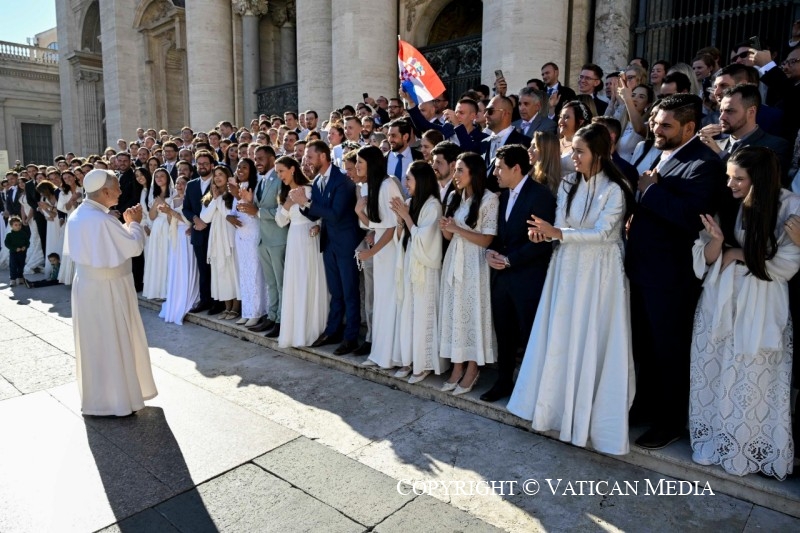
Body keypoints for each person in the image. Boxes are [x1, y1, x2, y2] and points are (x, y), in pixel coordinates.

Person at [507, 124, 635, 454]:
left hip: (599, 273)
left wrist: (558, 233)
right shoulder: (567, 183)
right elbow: (561, 224)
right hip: (566, 267)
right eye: (573, 150)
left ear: (599, 154)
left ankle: (588, 419)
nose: (573, 156)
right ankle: (553, 409)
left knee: (591, 335)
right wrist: (543, 234)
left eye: (580, 151)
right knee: (561, 334)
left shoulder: (616, 189)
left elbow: (604, 233)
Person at [690, 147, 800, 479]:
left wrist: (737, 253)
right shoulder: (727, 202)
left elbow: (786, 266)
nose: (731, 184)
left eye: (738, 178)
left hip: (761, 302)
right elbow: (707, 256)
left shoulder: (790, 207)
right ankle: (716, 440)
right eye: (729, 177)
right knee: (716, 368)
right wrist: (718, 242)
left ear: (760, 179)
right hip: (721, 298)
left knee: (752, 376)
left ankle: (748, 449)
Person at [626, 94, 723, 450]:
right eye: (655, 123)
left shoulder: (704, 164)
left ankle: (669, 423)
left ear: (689, 127)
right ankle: (645, 407)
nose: (656, 129)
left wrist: (651, 191)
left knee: (669, 351)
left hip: (672, 276)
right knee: (645, 346)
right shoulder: (659, 152)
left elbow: (691, 217)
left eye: (666, 125)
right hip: (642, 269)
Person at [64, 169, 157, 417]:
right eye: (117, 187)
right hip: (109, 288)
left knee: (96, 344)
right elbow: (133, 247)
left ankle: (100, 400)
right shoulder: (102, 220)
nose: (120, 191)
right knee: (113, 341)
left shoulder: (78, 214)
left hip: (87, 286)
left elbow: (105, 246)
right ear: (105, 192)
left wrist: (125, 224)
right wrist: (134, 223)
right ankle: (119, 401)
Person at [481, 144, 557, 403]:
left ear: (516, 168)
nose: (495, 173)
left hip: (528, 279)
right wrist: (490, 253)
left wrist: (510, 260)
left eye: (499, 168)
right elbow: (497, 235)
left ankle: (531, 390)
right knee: (504, 334)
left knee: (529, 335)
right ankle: (503, 382)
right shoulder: (501, 196)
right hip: (501, 279)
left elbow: (542, 242)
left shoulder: (541, 195)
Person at [292, 140, 362, 356]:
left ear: (323, 156)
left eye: (310, 157)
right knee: (336, 291)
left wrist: (307, 203)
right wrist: (302, 204)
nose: (307, 161)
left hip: (346, 243)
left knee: (349, 292)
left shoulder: (342, 181)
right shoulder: (317, 181)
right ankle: (333, 331)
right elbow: (315, 214)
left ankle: (351, 337)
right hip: (329, 242)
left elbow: (335, 214)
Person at [438, 152, 499, 395]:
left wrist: (457, 229)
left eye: (460, 170)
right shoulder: (455, 196)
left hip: (475, 262)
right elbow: (449, 236)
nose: (456, 175)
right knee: (454, 312)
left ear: (474, 172)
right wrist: (446, 228)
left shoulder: (489, 199)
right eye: (455, 170)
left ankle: (473, 367)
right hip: (454, 258)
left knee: (473, 312)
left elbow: (487, 239)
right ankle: (457, 365)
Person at [390, 161, 446, 383]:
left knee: (423, 316)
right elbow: (403, 238)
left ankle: (423, 364)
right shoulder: (410, 202)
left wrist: (406, 217)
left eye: (409, 179)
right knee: (408, 313)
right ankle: (408, 359)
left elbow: (426, 240)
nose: (405, 183)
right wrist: (400, 221)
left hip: (425, 269)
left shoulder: (433, 206)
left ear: (421, 181)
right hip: (410, 264)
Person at [354, 146, 404, 370]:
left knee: (390, 301)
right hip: (381, 250)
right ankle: (380, 354)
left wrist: (371, 252)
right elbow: (375, 224)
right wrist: (359, 211)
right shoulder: (372, 186)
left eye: (360, 162)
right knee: (382, 302)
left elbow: (392, 227)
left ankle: (391, 356)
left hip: (390, 251)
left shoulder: (387, 185)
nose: (356, 166)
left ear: (371, 164)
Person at [273, 156, 328, 347]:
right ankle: (295, 331)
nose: (279, 176)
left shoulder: (310, 189)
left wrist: (318, 226)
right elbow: (280, 222)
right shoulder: (284, 194)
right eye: (277, 172)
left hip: (310, 238)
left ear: (292, 169)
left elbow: (320, 213)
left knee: (309, 279)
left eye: (281, 171)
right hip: (294, 239)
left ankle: (312, 329)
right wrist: (287, 204)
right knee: (295, 282)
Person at [229, 158, 268, 328]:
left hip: (253, 232)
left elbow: (255, 209)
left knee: (254, 273)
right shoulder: (237, 187)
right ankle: (247, 311)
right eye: (238, 167)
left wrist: (238, 195)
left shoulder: (256, 185)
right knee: (244, 274)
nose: (240, 170)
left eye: (244, 167)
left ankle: (257, 312)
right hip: (240, 234)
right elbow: (234, 210)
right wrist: (230, 217)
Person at [199, 165, 241, 320]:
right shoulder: (210, 197)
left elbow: (229, 216)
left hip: (230, 237)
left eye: (220, 174)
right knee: (220, 272)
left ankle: (236, 307)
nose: (217, 177)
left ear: (227, 176)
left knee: (232, 271)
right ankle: (227, 306)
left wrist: (218, 200)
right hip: (216, 238)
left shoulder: (233, 195)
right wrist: (215, 199)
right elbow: (205, 218)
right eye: (215, 175)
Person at [158, 176, 200, 325]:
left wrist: (171, 211)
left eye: (183, 183)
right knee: (177, 268)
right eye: (178, 183)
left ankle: (190, 297)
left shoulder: (190, 200)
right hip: (175, 236)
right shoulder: (172, 200)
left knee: (187, 266)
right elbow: (170, 222)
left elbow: (188, 221)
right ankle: (177, 297)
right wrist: (168, 213)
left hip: (186, 236)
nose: (180, 185)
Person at [141, 168, 172, 300]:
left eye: (162, 176)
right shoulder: (153, 195)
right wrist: (155, 203)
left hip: (169, 226)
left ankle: (166, 290)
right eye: (157, 176)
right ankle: (157, 290)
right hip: (157, 226)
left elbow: (171, 214)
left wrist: (163, 203)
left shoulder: (174, 193)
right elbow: (152, 216)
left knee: (167, 256)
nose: (159, 178)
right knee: (157, 257)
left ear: (167, 178)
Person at [56, 170, 81, 285]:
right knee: (73, 246)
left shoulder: (82, 188)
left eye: (69, 177)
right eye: (65, 178)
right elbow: (64, 208)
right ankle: (72, 276)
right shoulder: (63, 193)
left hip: (85, 220)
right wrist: (72, 199)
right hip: (72, 220)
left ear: (74, 177)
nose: (68, 179)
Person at [557, 101, 593, 176]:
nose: (561, 121)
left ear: (580, 121)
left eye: (566, 117)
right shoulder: (554, 142)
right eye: (560, 117)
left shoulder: (585, 146)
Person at [36, 180, 63, 279]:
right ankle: (53, 269)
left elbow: (59, 211)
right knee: (52, 243)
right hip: (51, 223)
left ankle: (61, 268)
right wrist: (44, 211)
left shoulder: (57, 195)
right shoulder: (45, 198)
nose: (41, 194)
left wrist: (48, 207)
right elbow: (51, 214)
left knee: (60, 242)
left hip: (60, 221)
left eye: (42, 191)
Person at [5, 215, 29, 286]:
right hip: (13, 253)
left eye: (19, 225)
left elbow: (27, 242)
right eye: (16, 225)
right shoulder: (9, 235)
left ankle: (20, 277)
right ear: (11, 226)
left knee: (21, 265)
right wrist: (15, 248)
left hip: (22, 253)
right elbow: (7, 244)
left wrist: (25, 247)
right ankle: (13, 279)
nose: (18, 226)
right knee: (13, 266)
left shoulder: (23, 234)